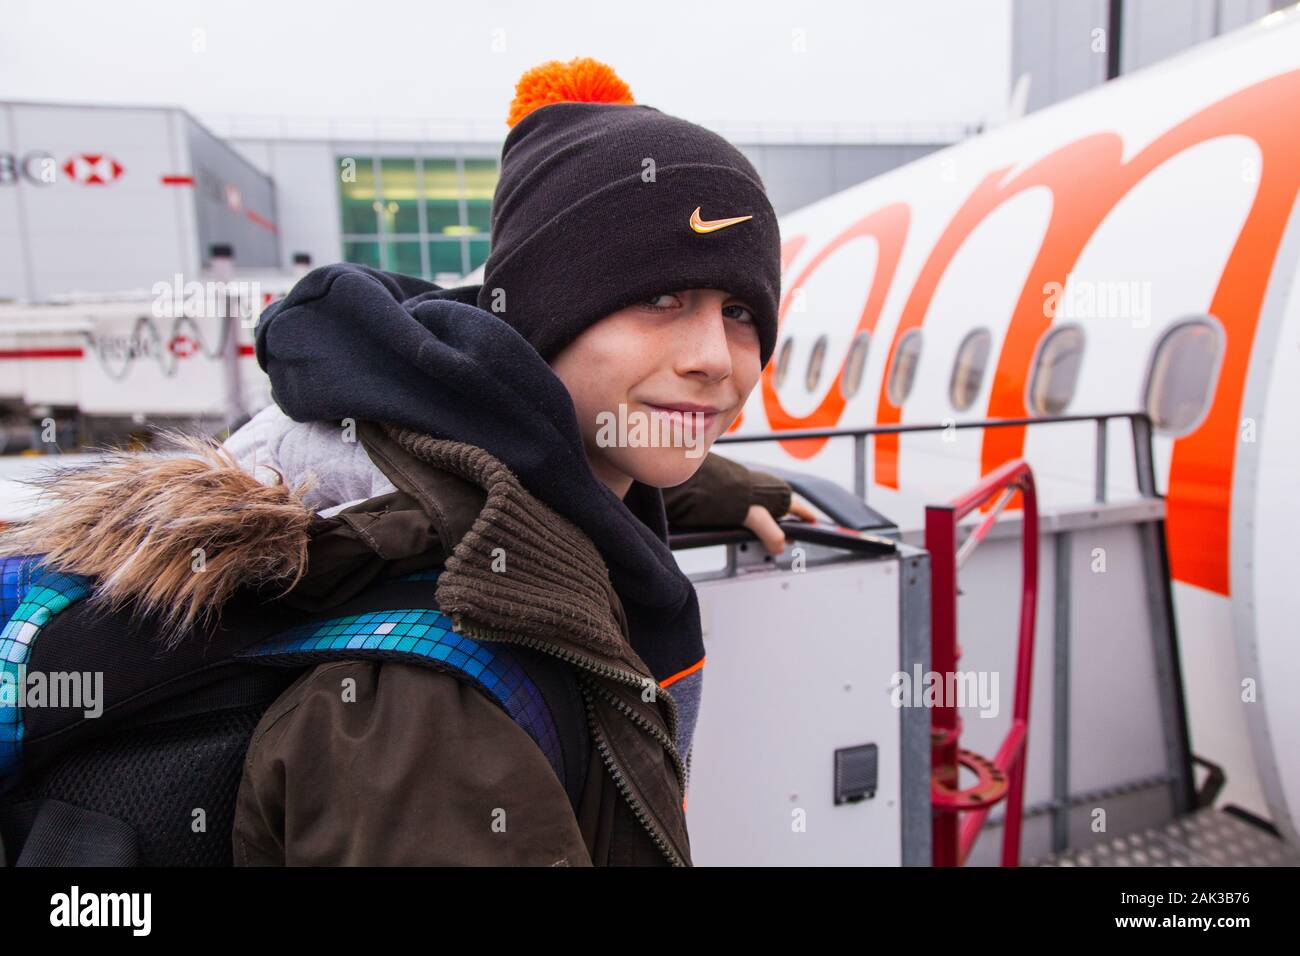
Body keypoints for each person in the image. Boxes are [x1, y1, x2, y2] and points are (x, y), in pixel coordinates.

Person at [0, 56, 812, 866]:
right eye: (661, 300)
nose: (715, 356)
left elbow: (554, 453)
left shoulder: (455, 438)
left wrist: (729, 487)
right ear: (545, 319)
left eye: (740, 310)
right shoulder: (436, 702)